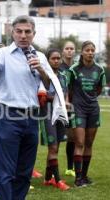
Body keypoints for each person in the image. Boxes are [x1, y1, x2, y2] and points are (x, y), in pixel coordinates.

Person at [0, 15, 54, 200]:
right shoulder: (3, 54)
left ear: (33, 34)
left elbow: (51, 87)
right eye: (19, 31)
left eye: (27, 32)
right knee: (7, 171)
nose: (23, 35)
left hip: (32, 117)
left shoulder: (40, 56)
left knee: (24, 171)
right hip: (9, 115)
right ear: (12, 33)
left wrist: (42, 71)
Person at [67, 41, 106, 187]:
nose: (90, 52)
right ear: (82, 52)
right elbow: (69, 90)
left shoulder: (100, 69)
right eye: (87, 50)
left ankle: (84, 175)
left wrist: (90, 99)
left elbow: (99, 89)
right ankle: (78, 178)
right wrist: (75, 103)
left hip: (93, 109)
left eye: (92, 50)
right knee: (80, 143)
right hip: (78, 110)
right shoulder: (74, 69)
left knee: (89, 143)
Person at [41, 49, 70, 191]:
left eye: (58, 58)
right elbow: (41, 95)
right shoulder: (44, 75)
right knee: (52, 147)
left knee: (56, 147)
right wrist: (57, 99)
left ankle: (47, 179)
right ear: (47, 60)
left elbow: (65, 93)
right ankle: (58, 180)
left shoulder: (63, 76)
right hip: (47, 113)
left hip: (60, 113)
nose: (57, 61)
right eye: (53, 58)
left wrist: (65, 103)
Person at [60, 41, 77, 177]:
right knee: (56, 138)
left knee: (72, 138)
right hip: (58, 106)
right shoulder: (58, 66)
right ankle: (50, 171)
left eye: (72, 48)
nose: (69, 51)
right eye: (67, 48)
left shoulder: (77, 67)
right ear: (63, 51)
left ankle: (70, 167)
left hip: (74, 106)